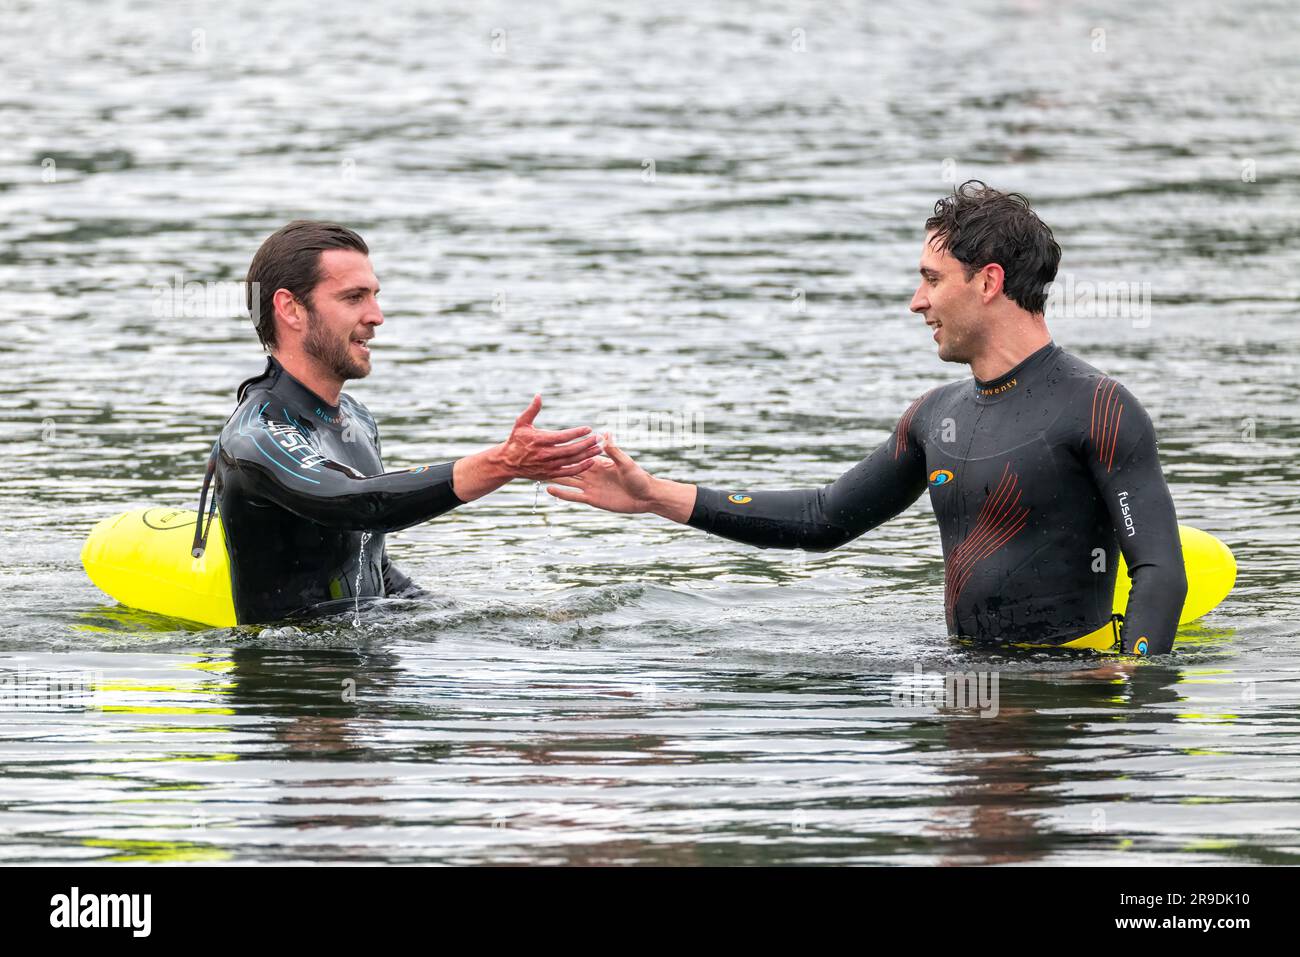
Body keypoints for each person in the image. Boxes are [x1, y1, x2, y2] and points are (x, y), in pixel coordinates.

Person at [547, 182, 1188, 656]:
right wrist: (657, 496)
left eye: (931, 280)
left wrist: (1127, 686)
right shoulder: (936, 417)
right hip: (964, 683)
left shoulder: (1100, 407)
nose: (917, 302)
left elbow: (1159, 570)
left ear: (988, 282)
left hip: (1066, 694)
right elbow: (822, 519)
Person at [193, 220, 600, 624]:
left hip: (370, 672)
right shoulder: (256, 436)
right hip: (290, 680)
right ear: (290, 309)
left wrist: (501, 617)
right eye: (354, 298)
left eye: (374, 296)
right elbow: (359, 502)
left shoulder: (355, 418)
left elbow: (372, 567)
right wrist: (501, 464)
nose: (377, 316)